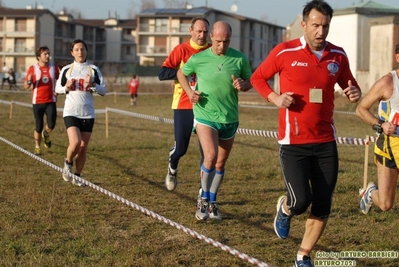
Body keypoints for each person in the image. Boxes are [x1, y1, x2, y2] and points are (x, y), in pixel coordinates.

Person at [250, 1, 361, 266]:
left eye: (325, 25)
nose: (320, 31)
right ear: (304, 25)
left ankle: (303, 255)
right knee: (301, 200)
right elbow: (257, 78)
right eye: (315, 25)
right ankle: (286, 209)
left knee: (323, 204)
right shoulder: (284, 51)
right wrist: (275, 98)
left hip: (325, 142)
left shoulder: (338, 56)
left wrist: (354, 92)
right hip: (293, 142)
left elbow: (350, 84)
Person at [177, 21, 252, 221]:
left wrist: (243, 85)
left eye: (226, 42)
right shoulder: (199, 58)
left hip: (229, 118)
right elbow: (181, 73)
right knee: (210, 156)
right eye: (218, 41)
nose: (222, 46)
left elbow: (250, 80)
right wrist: (189, 92)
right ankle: (202, 199)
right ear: (211, 37)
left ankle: (212, 200)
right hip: (205, 115)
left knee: (220, 162)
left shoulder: (240, 58)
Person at [158, 17, 211, 191]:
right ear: (191, 31)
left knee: (207, 151)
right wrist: (185, 72)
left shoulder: (212, 51)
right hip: (183, 104)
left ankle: (203, 191)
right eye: (198, 31)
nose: (202, 35)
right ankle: (172, 168)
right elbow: (163, 73)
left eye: (205, 32)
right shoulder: (181, 50)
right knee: (181, 148)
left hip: (207, 105)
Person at [55, 39, 106, 186]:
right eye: (76, 49)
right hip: (71, 111)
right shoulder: (67, 70)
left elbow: (103, 90)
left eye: (82, 49)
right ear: (72, 52)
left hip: (88, 113)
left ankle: (77, 176)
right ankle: (68, 163)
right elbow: (57, 89)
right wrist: (66, 87)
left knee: (83, 148)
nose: (80, 52)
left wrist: (93, 84)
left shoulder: (93, 69)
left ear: (86, 51)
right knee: (75, 142)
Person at [356, 43, 399, 215]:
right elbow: (361, 109)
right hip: (388, 145)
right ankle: (370, 194)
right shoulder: (387, 83)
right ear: (398, 58)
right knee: (385, 204)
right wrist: (381, 124)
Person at [24, 46, 60, 155]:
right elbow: (25, 86)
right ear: (39, 57)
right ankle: (37, 147)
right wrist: (29, 82)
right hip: (37, 101)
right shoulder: (32, 68)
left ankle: (46, 134)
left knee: (51, 124)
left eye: (48, 54)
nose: (48, 56)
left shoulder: (54, 67)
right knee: (38, 126)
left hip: (50, 101)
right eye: (45, 54)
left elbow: (60, 81)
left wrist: (57, 91)